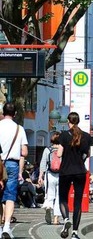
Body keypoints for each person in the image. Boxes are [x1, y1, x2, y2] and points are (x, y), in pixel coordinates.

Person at [57, 112, 91, 239]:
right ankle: (75, 233)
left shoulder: (64, 135)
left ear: (68, 121)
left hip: (65, 171)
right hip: (80, 172)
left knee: (63, 199)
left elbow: (59, 154)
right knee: (78, 202)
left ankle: (66, 219)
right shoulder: (86, 136)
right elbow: (87, 154)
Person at [0, 102, 29, 239]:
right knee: (10, 195)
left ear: (2, 112)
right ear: (15, 114)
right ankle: (6, 226)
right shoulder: (19, 129)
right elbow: (24, 151)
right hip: (12, 164)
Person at [38, 132, 62, 225]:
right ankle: (56, 218)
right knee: (59, 196)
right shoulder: (62, 149)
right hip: (61, 175)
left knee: (49, 194)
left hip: (49, 174)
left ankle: (48, 207)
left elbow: (43, 164)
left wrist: (40, 176)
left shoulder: (47, 150)